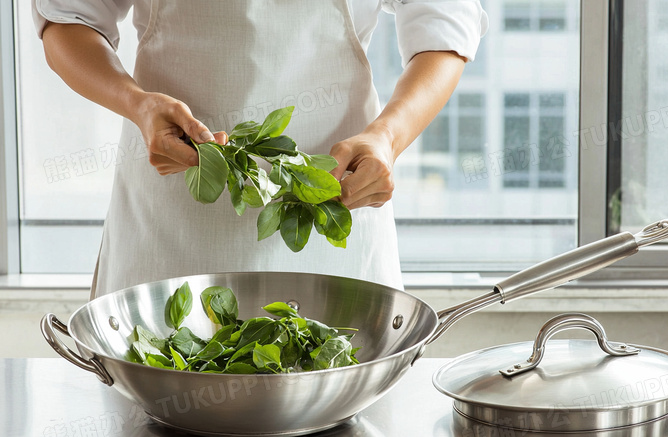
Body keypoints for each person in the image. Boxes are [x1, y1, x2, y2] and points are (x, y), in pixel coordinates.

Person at [33, 1, 488, 298]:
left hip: (330, 200)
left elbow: (444, 27)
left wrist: (388, 137)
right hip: (170, 217)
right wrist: (137, 104)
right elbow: (68, 20)